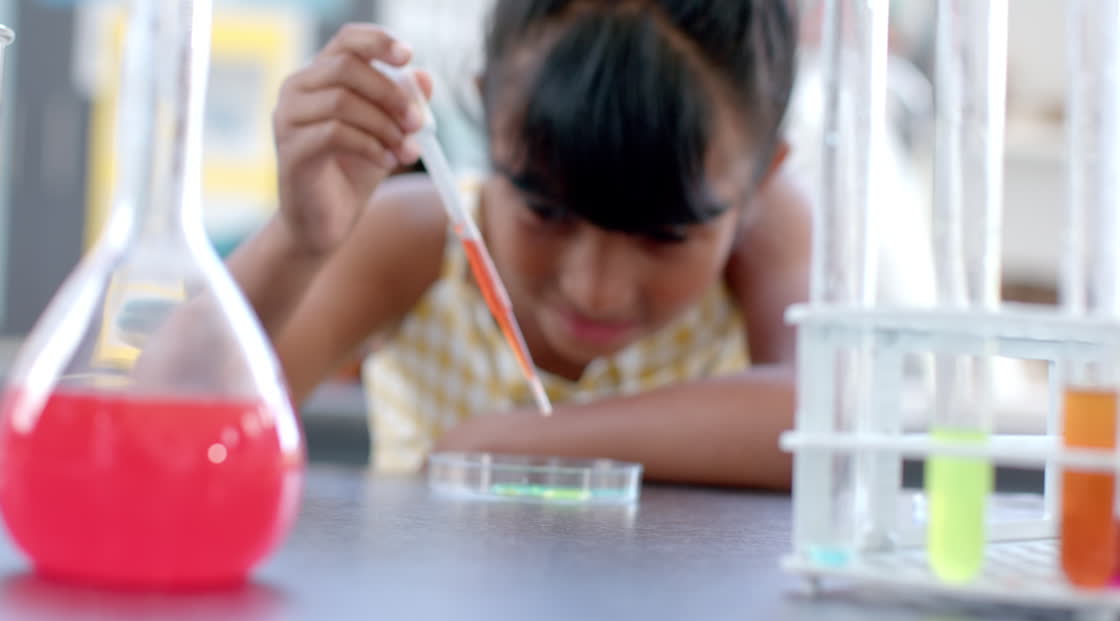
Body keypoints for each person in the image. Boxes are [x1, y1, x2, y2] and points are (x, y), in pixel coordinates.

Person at [228, 0, 809, 487]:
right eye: (546, 211)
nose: (595, 290)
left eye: (665, 235)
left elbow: (823, 414)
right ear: (488, 115)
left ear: (763, 177)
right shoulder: (416, 241)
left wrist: (507, 442)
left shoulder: (764, 226)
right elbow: (171, 419)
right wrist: (297, 242)